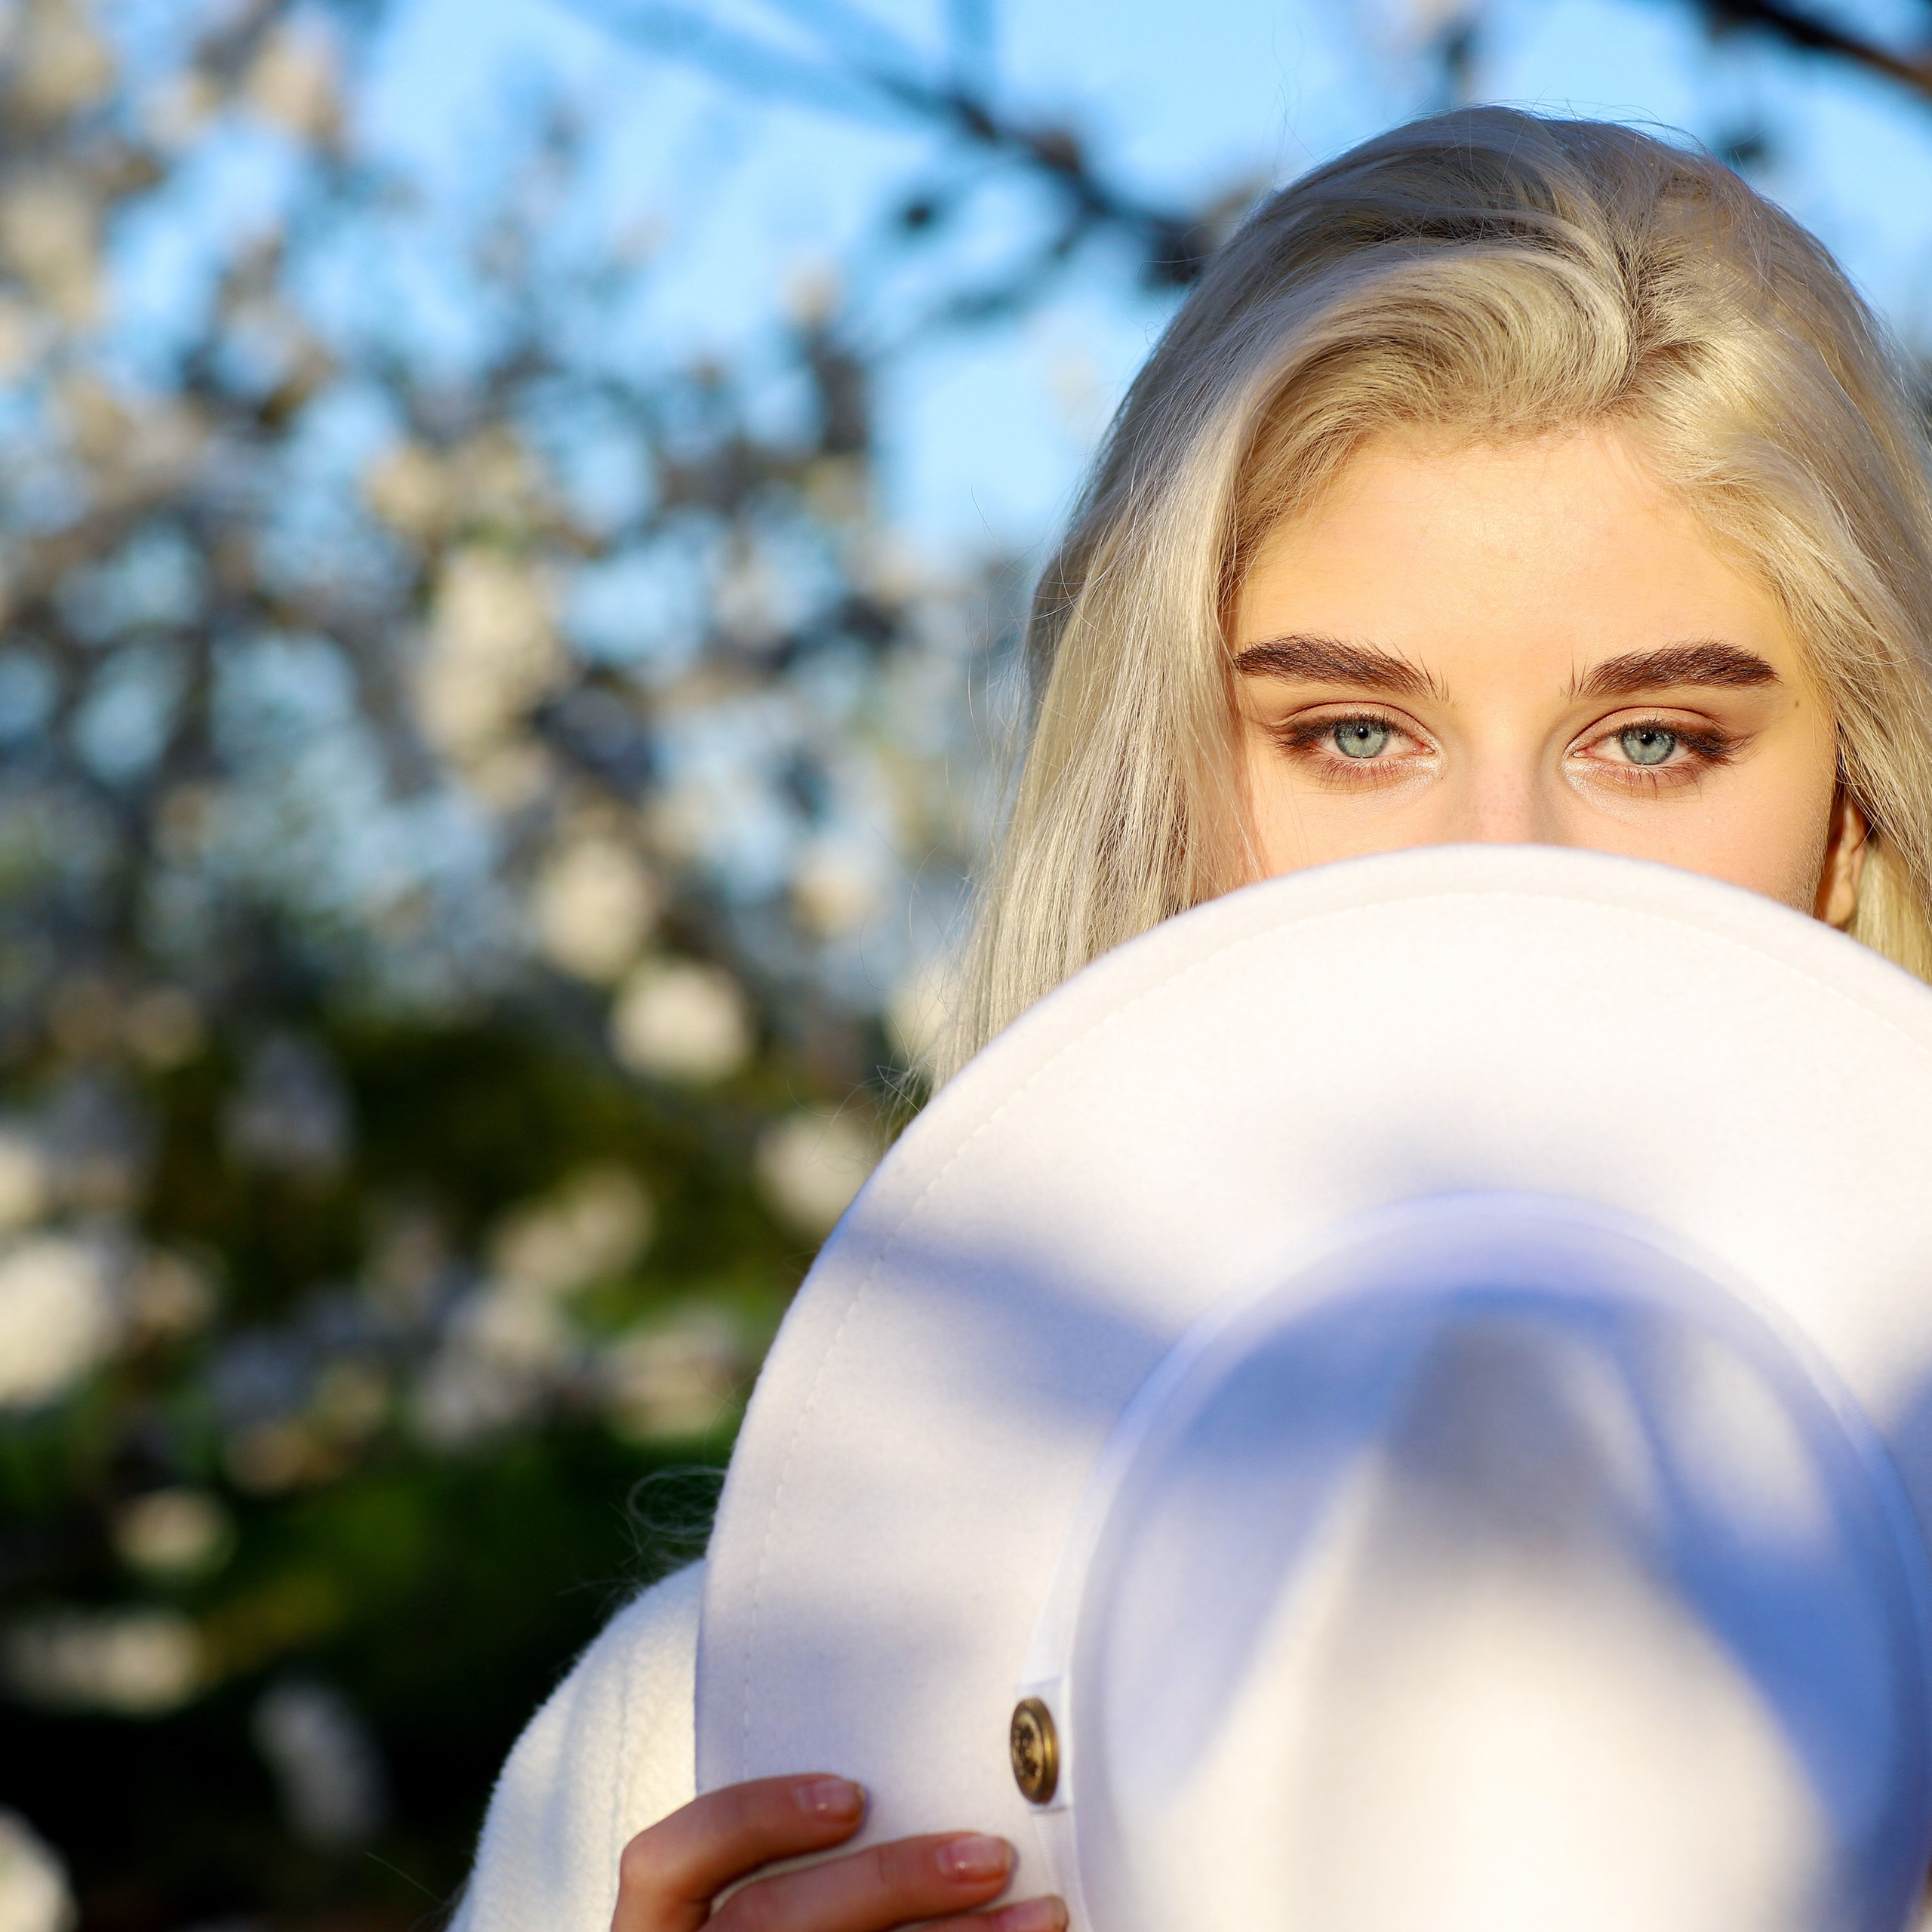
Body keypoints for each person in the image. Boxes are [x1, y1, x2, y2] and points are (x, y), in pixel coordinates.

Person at [448, 106, 1932, 1932]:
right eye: (1348, 734)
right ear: (1165, 794)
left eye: (1651, 741)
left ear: (1850, 809)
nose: (1489, 866)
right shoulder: (699, 1758)